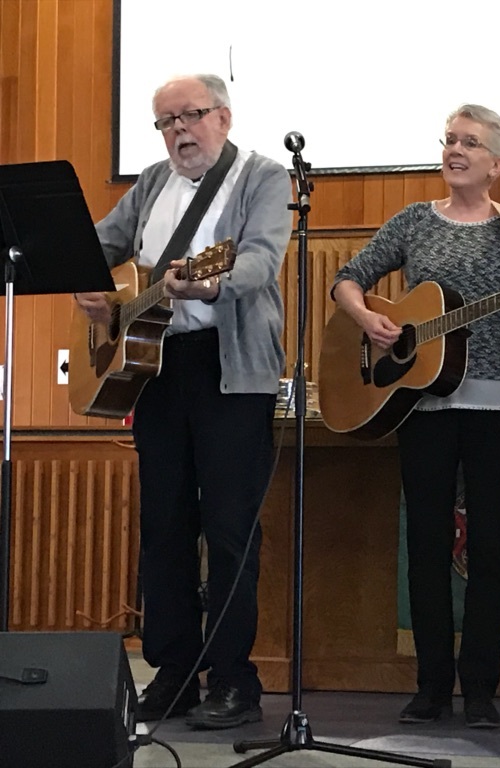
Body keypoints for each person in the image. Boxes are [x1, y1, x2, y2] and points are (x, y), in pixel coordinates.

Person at [73, 74, 292, 729]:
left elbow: (260, 262)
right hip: (156, 372)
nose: (178, 132)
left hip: (230, 375)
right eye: (165, 121)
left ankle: (234, 680)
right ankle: (173, 673)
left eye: (189, 117)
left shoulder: (262, 177)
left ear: (222, 117)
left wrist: (209, 285)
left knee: (229, 532)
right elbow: (100, 245)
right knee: (163, 528)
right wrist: (92, 291)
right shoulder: (150, 182)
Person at [331, 104, 500, 729]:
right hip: (422, 404)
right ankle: (431, 686)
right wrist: (368, 319)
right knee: (425, 543)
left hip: (498, 401)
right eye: (450, 139)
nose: (455, 149)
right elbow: (349, 278)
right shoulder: (412, 222)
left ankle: (480, 689)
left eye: (470, 143)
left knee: (489, 545)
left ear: (497, 165)